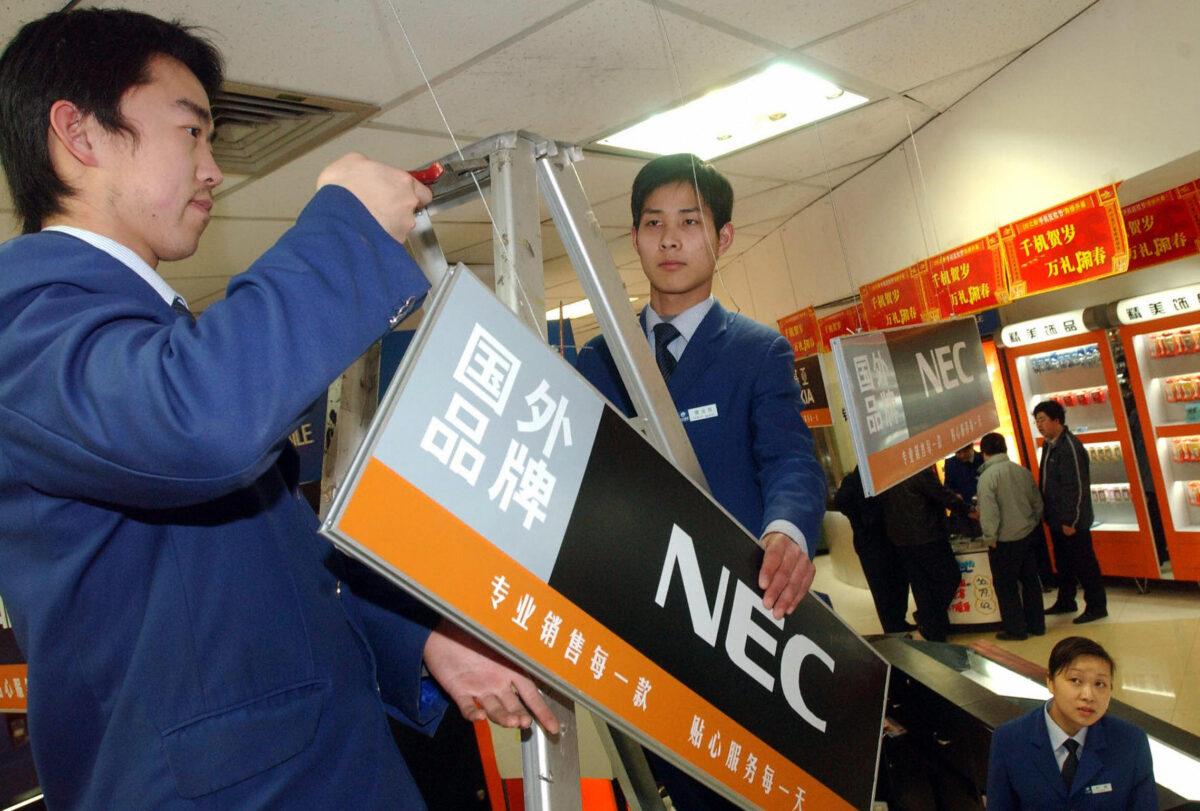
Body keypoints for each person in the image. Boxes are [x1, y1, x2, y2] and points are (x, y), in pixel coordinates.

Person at [0, 9, 556, 807]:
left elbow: (258, 568)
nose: (212, 169)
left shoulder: (139, 337)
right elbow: (201, 422)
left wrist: (420, 643)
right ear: (79, 134)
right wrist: (345, 229)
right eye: (191, 132)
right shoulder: (23, 320)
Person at [575, 152, 826, 809]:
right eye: (653, 222)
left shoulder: (757, 350)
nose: (669, 238)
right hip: (640, 625)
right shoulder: (600, 359)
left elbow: (790, 459)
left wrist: (787, 529)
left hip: (741, 621)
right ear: (633, 238)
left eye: (689, 221)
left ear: (722, 238)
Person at [986, 637, 1156, 809]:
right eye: (1076, 680)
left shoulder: (1131, 742)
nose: (1088, 695)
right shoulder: (1009, 739)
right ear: (1050, 681)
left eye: (1100, 684)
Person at [1034, 400, 1108, 624]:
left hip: (1072, 521)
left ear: (1057, 420)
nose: (1039, 425)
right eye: (1036, 421)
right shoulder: (1049, 444)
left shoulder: (1070, 447)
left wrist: (1071, 520)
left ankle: (1097, 606)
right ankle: (1066, 600)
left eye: (1042, 420)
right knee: (1063, 563)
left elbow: (1076, 487)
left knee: (1085, 564)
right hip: (1056, 518)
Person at [881, 466, 966, 643]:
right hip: (927, 535)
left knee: (922, 587)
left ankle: (934, 631)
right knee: (949, 577)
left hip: (901, 539)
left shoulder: (886, 471)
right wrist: (966, 508)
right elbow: (940, 494)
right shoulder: (917, 469)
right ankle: (929, 621)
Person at [976, 432, 1045, 641]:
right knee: (1031, 582)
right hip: (1027, 535)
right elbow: (1037, 503)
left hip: (1004, 542)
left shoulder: (987, 478)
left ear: (984, 453)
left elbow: (989, 512)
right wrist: (1031, 524)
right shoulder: (1021, 471)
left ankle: (1016, 629)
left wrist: (990, 538)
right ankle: (1037, 625)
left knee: (1006, 586)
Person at [833, 466, 912, 633]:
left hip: (881, 541)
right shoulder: (855, 481)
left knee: (896, 583)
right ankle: (893, 628)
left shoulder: (867, 478)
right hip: (874, 543)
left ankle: (898, 622)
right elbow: (841, 502)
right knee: (885, 588)